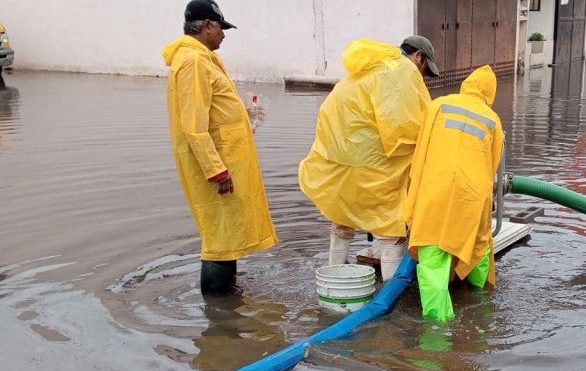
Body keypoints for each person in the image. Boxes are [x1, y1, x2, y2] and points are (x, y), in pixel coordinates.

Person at [298, 35, 437, 281]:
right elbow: (404, 128)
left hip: (338, 161)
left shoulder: (369, 68)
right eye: (425, 70)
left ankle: (333, 278)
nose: (424, 77)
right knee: (390, 229)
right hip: (374, 164)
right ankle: (391, 297)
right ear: (418, 57)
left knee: (342, 219)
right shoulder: (402, 69)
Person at [163, 0, 277, 295]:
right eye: (221, 28)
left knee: (228, 236)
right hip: (218, 169)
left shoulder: (203, 60)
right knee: (220, 240)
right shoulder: (193, 62)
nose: (224, 34)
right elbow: (193, 125)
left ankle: (228, 303)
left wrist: (244, 118)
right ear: (207, 26)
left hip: (226, 163)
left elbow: (213, 113)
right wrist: (217, 171)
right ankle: (219, 316)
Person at [402, 65, 504, 322]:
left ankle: (438, 329)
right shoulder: (493, 120)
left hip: (435, 190)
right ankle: (480, 302)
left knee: (433, 260)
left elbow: (422, 148)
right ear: (490, 93)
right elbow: (492, 166)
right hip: (470, 196)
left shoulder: (439, 105)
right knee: (478, 244)